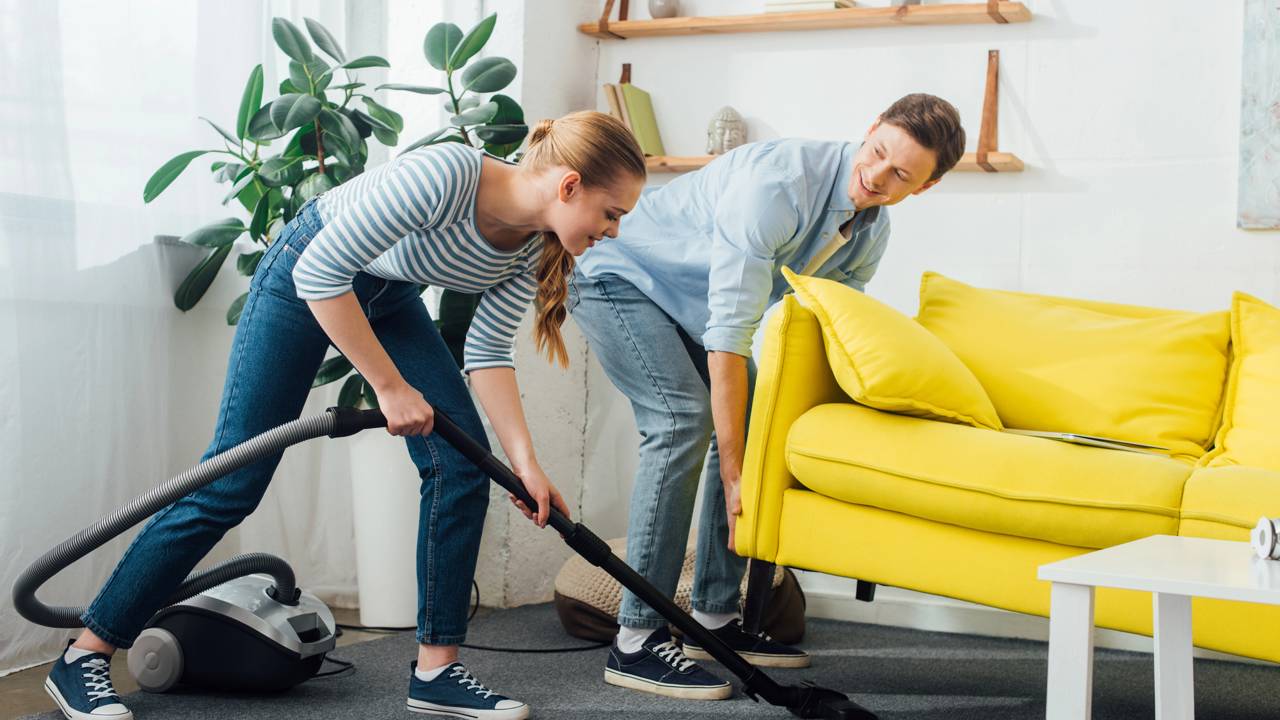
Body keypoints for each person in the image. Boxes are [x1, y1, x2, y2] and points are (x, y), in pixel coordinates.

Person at [44, 110, 646, 720]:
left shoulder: (528, 248)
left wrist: (524, 465)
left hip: (386, 294)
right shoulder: (446, 175)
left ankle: (436, 672)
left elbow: (487, 352)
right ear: (569, 185)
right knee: (231, 482)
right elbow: (321, 272)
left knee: (462, 468)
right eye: (611, 213)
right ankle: (84, 656)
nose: (614, 230)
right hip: (304, 274)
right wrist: (387, 386)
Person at [569, 93, 965, 700]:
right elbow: (731, 333)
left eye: (901, 175)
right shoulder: (778, 187)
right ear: (870, 128)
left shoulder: (869, 236)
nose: (877, 176)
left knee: (755, 429)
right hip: (621, 278)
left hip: (695, 312)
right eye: (878, 152)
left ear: (926, 188)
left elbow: (811, 333)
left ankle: (713, 618)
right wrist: (734, 471)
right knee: (681, 423)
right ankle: (636, 640)